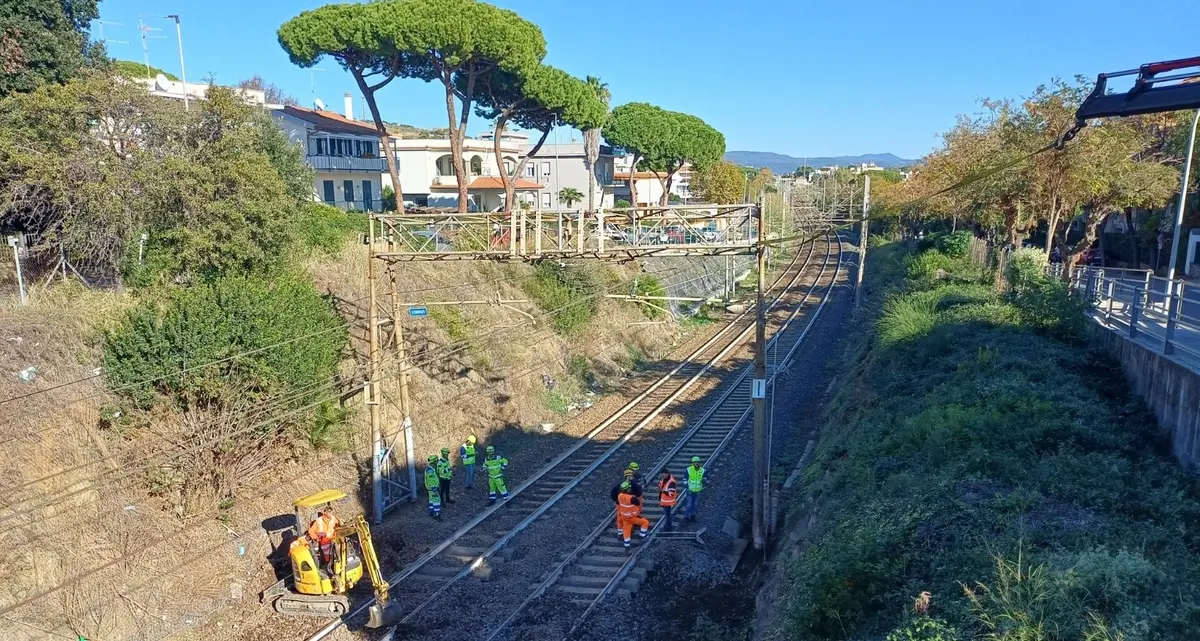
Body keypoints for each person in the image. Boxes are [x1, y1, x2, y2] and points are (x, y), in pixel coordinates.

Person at [306, 504, 341, 570]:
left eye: (331, 511)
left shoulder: (334, 519)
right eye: (328, 511)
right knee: (327, 555)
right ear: (324, 512)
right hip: (323, 542)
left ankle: (338, 561)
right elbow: (311, 531)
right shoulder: (318, 521)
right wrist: (317, 538)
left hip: (333, 540)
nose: (330, 513)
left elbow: (338, 527)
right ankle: (327, 566)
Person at [616, 481, 650, 548]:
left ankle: (627, 545)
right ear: (627, 489)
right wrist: (633, 497)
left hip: (624, 516)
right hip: (632, 517)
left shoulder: (619, 496)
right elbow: (637, 502)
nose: (630, 489)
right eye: (629, 488)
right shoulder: (630, 498)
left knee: (626, 530)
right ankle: (642, 536)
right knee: (645, 522)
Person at [683, 456, 705, 522]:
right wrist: (686, 486)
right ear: (692, 463)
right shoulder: (688, 470)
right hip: (690, 490)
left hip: (698, 490)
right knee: (689, 504)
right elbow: (685, 478)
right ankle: (686, 517)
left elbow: (705, 477)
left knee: (695, 504)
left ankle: (693, 516)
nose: (696, 463)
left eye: (698, 462)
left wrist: (704, 480)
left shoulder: (703, 470)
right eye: (695, 462)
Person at [424, 455, 442, 520]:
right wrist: (435, 489)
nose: (437, 462)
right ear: (433, 462)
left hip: (431, 489)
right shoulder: (430, 471)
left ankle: (431, 512)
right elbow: (431, 481)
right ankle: (437, 515)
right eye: (436, 461)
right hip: (433, 489)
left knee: (431, 500)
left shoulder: (430, 469)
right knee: (437, 500)